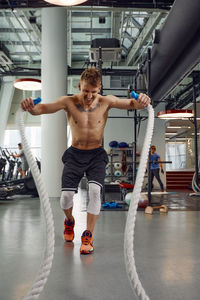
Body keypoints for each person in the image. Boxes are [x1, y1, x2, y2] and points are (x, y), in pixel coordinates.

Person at [21, 67, 150, 255]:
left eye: (94, 92)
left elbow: (133, 103)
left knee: (95, 191)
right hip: (75, 154)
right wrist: (30, 106)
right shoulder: (68, 102)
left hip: (96, 154)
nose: (89, 96)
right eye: (86, 91)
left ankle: (88, 235)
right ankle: (70, 222)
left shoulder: (107, 101)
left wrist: (143, 100)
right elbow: (40, 109)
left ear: (100, 89)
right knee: (65, 198)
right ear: (79, 86)